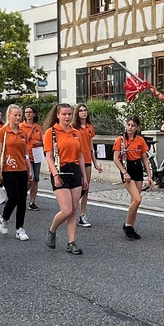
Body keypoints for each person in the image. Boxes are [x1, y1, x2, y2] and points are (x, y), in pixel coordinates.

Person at [43, 103, 87, 255]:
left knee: (74, 210)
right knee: (66, 210)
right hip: (60, 170)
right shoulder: (51, 132)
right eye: (64, 114)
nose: (67, 117)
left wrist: (84, 176)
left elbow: (80, 155)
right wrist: (55, 174)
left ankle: (71, 242)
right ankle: (52, 230)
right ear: (58, 115)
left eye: (69, 114)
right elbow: (48, 156)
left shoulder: (76, 132)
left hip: (74, 170)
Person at [0, 104, 33, 241]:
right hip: (8, 169)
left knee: (23, 199)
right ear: (9, 116)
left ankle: (19, 228)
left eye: (19, 115)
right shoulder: (2, 132)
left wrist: (30, 169)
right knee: (14, 197)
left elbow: (26, 153)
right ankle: (4, 217)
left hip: (21, 168)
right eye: (15, 115)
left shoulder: (23, 132)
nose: (18, 117)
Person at [113, 115, 154, 239]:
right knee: (137, 199)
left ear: (137, 127)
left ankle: (131, 226)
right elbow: (115, 158)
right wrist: (124, 172)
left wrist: (149, 176)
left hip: (137, 168)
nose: (130, 128)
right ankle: (127, 225)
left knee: (134, 202)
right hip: (127, 168)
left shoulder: (140, 140)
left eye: (133, 126)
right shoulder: (120, 140)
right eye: (128, 125)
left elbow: (145, 159)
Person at [73, 103, 102, 227]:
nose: (83, 113)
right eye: (81, 111)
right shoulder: (74, 127)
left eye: (85, 110)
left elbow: (91, 146)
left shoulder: (90, 127)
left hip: (87, 160)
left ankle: (82, 214)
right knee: (78, 188)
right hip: (76, 160)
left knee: (86, 188)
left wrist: (95, 163)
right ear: (77, 113)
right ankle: (71, 209)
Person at [21, 106, 44, 210]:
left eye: (30, 112)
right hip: (26, 156)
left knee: (36, 180)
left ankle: (32, 202)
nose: (28, 114)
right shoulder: (21, 127)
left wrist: (40, 143)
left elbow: (43, 141)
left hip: (37, 155)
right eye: (26, 112)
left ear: (34, 114)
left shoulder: (38, 127)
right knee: (30, 179)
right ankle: (21, 194)